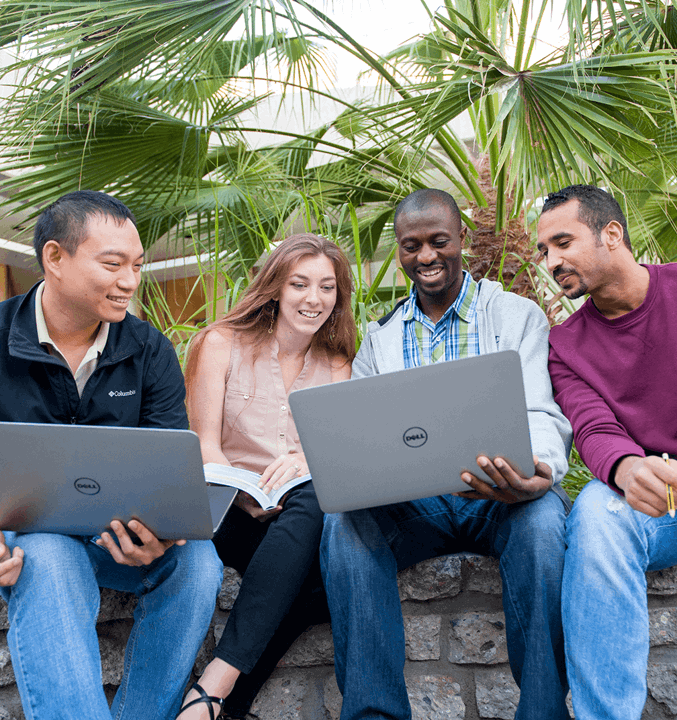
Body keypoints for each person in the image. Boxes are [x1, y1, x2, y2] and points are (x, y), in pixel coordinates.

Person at [320, 188, 573, 720]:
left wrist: (539, 472)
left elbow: (542, 413)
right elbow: (365, 434)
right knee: (344, 524)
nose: (426, 256)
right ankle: (374, 714)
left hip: (498, 496)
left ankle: (544, 712)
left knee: (546, 522)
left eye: (439, 241)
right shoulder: (379, 337)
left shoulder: (517, 316)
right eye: (411, 246)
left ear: (462, 238)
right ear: (399, 250)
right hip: (420, 504)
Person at [0, 190, 224, 720]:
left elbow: (167, 468)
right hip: (27, 536)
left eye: (138, 266)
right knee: (48, 557)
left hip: (119, 536)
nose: (130, 281)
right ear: (55, 258)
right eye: (113, 264)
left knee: (199, 564)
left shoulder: (149, 349)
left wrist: (160, 534)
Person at [537, 183, 677, 720]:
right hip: (668, 504)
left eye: (563, 242)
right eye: (544, 251)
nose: (552, 261)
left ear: (611, 233)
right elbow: (592, 426)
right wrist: (625, 466)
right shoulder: (565, 346)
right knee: (597, 510)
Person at [177, 234, 356, 720]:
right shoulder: (220, 343)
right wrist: (242, 493)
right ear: (276, 287)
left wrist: (308, 463)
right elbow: (205, 446)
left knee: (316, 493)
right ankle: (221, 701)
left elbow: (333, 454)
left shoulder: (337, 362)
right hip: (228, 512)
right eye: (299, 284)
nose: (313, 298)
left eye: (327, 287)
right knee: (314, 589)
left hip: (296, 515)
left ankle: (214, 694)